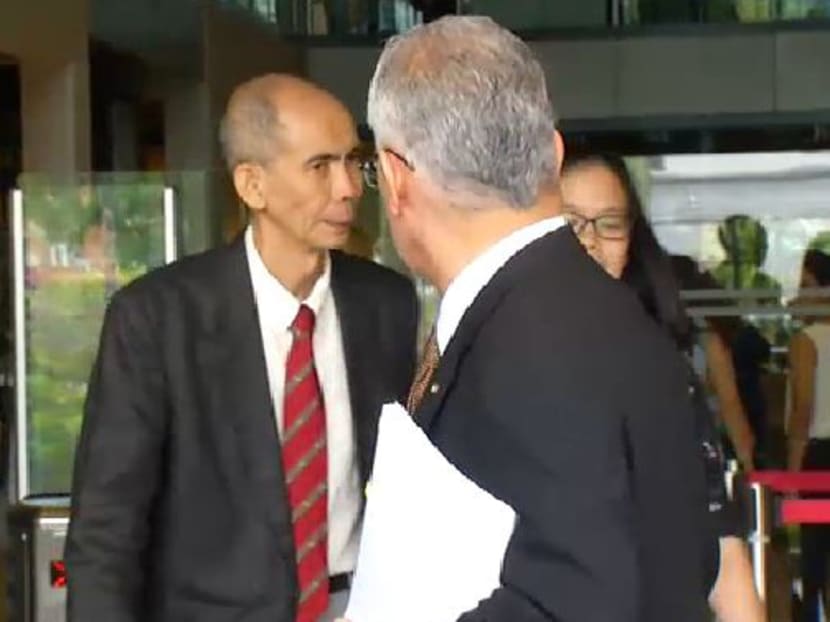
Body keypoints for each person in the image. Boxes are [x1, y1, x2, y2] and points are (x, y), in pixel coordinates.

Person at [364, 15, 713, 621]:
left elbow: (569, 602)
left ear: (395, 178)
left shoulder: (531, 339)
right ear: (553, 154)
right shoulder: (601, 314)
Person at [65, 74, 418, 622]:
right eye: (320, 166)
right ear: (252, 185)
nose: (348, 187)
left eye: (353, 162)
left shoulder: (386, 305)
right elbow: (107, 530)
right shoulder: (158, 318)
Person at [560, 153, 766, 622]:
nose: (589, 241)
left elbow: (720, 538)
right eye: (571, 223)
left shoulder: (664, 370)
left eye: (609, 223)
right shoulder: (501, 365)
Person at [787, 249, 830, 622]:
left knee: (815, 557)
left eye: (806, 286)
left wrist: (792, 471)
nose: (798, 296)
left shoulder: (807, 340)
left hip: (819, 457)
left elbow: (803, 409)